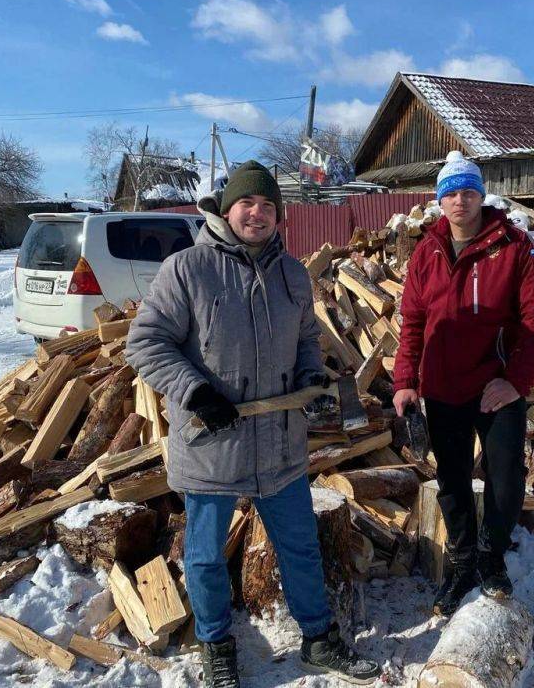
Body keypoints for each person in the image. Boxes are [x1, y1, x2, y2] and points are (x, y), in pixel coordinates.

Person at [126, 161, 380, 687]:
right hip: (212, 443)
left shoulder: (291, 273)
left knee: (300, 545)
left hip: (280, 444)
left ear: (280, 217)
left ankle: (317, 639)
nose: (257, 213)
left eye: (268, 206)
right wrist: (193, 390)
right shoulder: (188, 269)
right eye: (247, 204)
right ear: (225, 208)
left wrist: (311, 377)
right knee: (203, 556)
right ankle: (216, 644)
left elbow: (307, 337)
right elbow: (145, 343)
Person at [392, 151, 534, 617]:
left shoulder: (518, 249)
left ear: (482, 196)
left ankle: (491, 555)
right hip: (443, 386)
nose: (460, 200)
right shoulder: (426, 252)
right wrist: (406, 380)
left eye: (468, 191)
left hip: (496, 385)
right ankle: (463, 558)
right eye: (451, 193)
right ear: (439, 201)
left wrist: (515, 381)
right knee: (452, 479)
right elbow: (413, 323)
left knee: (506, 479)